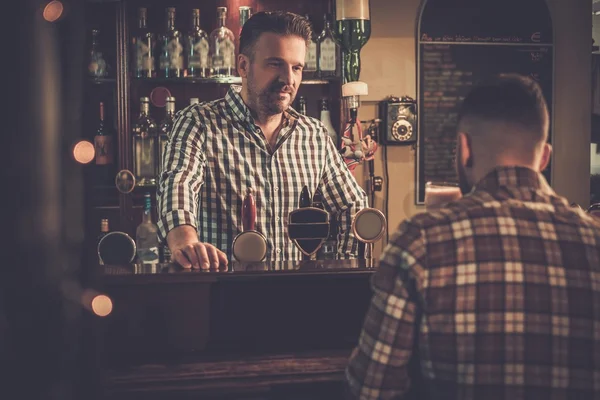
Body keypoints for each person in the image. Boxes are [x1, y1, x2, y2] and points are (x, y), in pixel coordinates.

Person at [345, 74, 600, 399]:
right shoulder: (593, 240)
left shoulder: (420, 241)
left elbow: (371, 389)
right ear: (544, 157)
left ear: (464, 148)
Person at [157, 11, 367, 269]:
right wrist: (185, 242)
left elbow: (353, 205)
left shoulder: (313, 134)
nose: (288, 79)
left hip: (295, 293)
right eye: (275, 64)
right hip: (226, 291)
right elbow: (179, 186)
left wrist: (345, 265)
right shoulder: (199, 123)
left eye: (297, 68)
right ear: (243, 66)